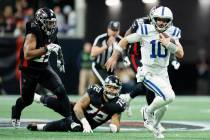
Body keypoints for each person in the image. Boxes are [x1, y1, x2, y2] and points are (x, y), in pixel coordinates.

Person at [105, 6, 184, 138]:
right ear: (153, 19)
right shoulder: (145, 30)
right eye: (159, 19)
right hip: (148, 72)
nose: (162, 23)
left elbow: (180, 53)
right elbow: (125, 40)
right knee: (169, 96)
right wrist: (114, 56)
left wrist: (168, 44)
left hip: (163, 73)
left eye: (165, 20)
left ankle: (155, 126)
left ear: (170, 21)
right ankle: (146, 111)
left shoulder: (172, 32)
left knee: (164, 106)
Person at [11, 7, 77, 131]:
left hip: (44, 67)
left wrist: (60, 58)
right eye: (48, 23)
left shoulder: (53, 30)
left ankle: (69, 120)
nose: (51, 26)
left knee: (61, 90)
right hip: (29, 70)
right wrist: (46, 49)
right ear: (40, 21)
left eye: (53, 22)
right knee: (27, 100)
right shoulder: (33, 32)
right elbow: (27, 54)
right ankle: (16, 110)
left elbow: (54, 41)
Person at [27, 75, 126, 133]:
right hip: (79, 113)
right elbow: (78, 107)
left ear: (119, 90)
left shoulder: (118, 104)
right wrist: (85, 122)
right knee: (63, 104)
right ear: (104, 87)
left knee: (70, 125)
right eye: (109, 87)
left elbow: (115, 123)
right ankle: (37, 97)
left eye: (115, 88)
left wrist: (114, 128)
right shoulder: (95, 91)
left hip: (81, 125)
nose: (112, 90)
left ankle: (39, 127)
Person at [91, 20, 122, 85]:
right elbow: (93, 53)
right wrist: (106, 46)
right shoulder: (101, 38)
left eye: (116, 30)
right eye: (113, 30)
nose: (114, 32)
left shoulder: (121, 40)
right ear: (108, 29)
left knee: (114, 85)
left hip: (112, 68)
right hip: (99, 66)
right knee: (106, 84)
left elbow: (124, 54)